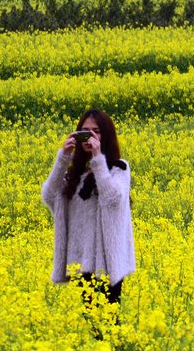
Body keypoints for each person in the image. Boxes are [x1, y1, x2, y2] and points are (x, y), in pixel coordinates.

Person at [42, 108, 135, 316]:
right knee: (90, 318)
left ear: (106, 136)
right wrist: (63, 158)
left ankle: (115, 349)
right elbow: (50, 197)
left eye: (96, 131)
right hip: (82, 259)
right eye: (84, 131)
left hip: (108, 260)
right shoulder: (73, 173)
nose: (89, 136)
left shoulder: (118, 168)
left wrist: (97, 159)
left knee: (110, 319)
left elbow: (113, 198)